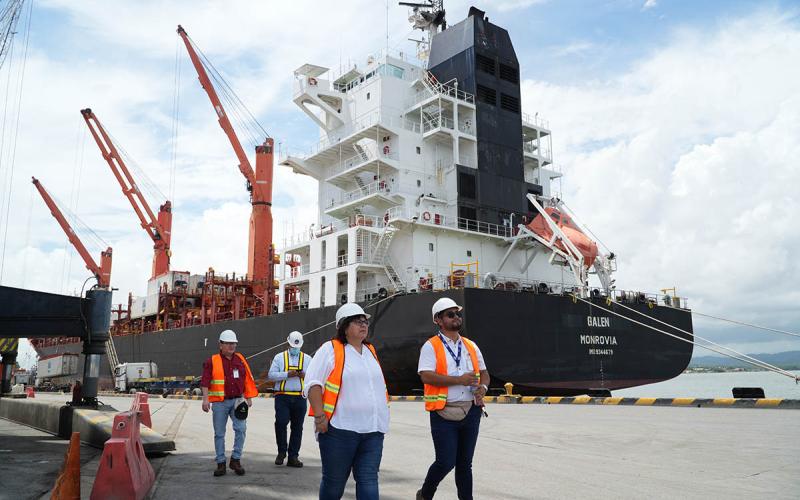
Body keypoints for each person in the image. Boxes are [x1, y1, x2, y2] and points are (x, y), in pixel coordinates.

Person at [304, 303, 390, 500]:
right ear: (344, 326)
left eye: (365, 321)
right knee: (334, 483)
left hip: (373, 431)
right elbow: (313, 383)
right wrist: (319, 417)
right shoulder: (330, 349)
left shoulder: (370, 351)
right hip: (339, 431)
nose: (363, 325)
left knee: (369, 480)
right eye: (357, 321)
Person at [416, 297, 490, 500]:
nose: (456, 317)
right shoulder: (431, 346)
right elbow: (426, 375)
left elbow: (484, 373)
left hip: (471, 411)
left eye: (457, 314)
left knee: (465, 464)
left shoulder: (470, 346)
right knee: (446, 461)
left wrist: (482, 388)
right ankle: (425, 494)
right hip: (443, 411)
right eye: (450, 314)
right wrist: (459, 380)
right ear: (438, 320)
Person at [200, 329, 258, 477]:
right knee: (219, 433)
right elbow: (205, 382)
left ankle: (235, 460)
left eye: (234, 343)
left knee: (241, 429)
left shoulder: (240, 359)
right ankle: (221, 463)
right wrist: (205, 399)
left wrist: (248, 397)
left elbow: (246, 379)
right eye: (229, 343)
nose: (232, 346)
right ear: (220, 345)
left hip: (238, 401)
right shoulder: (211, 361)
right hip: (220, 403)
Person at [268, 330, 312, 467]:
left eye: (297, 348)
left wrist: (305, 375)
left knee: (297, 427)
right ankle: (282, 452)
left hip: (300, 397)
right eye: (293, 347)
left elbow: (314, 376)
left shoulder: (307, 359)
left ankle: (293, 457)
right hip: (283, 396)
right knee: (281, 423)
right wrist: (288, 374)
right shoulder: (279, 358)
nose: (295, 349)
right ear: (288, 344)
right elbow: (271, 375)